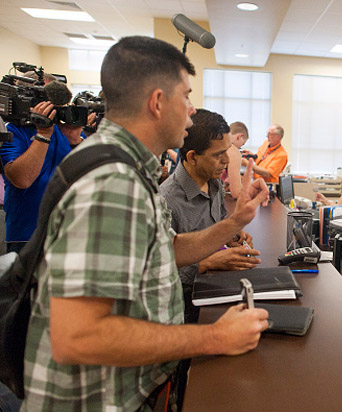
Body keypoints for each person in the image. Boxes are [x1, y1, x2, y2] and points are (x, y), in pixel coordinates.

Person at [22, 36, 270, 411]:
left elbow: (164, 250)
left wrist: (232, 222)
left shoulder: (129, 166)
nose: (191, 112)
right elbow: (78, 336)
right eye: (186, 98)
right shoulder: (113, 181)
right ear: (157, 102)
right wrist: (213, 338)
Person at [161, 109, 261, 324]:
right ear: (192, 157)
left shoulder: (214, 183)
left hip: (215, 290)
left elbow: (214, 226)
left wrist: (228, 235)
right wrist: (206, 263)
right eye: (218, 155)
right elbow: (158, 272)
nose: (226, 160)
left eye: (227, 151)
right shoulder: (166, 202)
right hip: (184, 312)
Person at [0, 78, 86, 253]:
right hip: (26, 234)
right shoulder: (12, 131)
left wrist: (76, 140)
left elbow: (88, 175)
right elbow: (22, 179)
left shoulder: (63, 132)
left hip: (65, 232)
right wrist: (43, 134)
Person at [224, 121, 249, 198]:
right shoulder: (233, 151)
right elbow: (236, 193)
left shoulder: (216, 144)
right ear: (239, 136)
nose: (240, 148)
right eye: (242, 144)